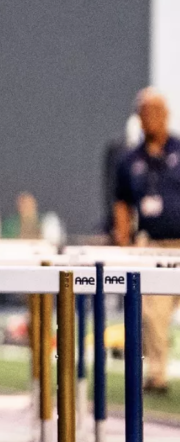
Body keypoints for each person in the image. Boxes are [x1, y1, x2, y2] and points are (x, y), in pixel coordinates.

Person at [114, 87, 180, 394]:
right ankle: (157, 375)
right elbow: (122, 204)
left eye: (155, 112)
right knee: (154, 313)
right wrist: (124, 243)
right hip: (153, 245)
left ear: (166, 115)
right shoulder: (130, 160)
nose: (149, 119)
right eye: (144, 113)